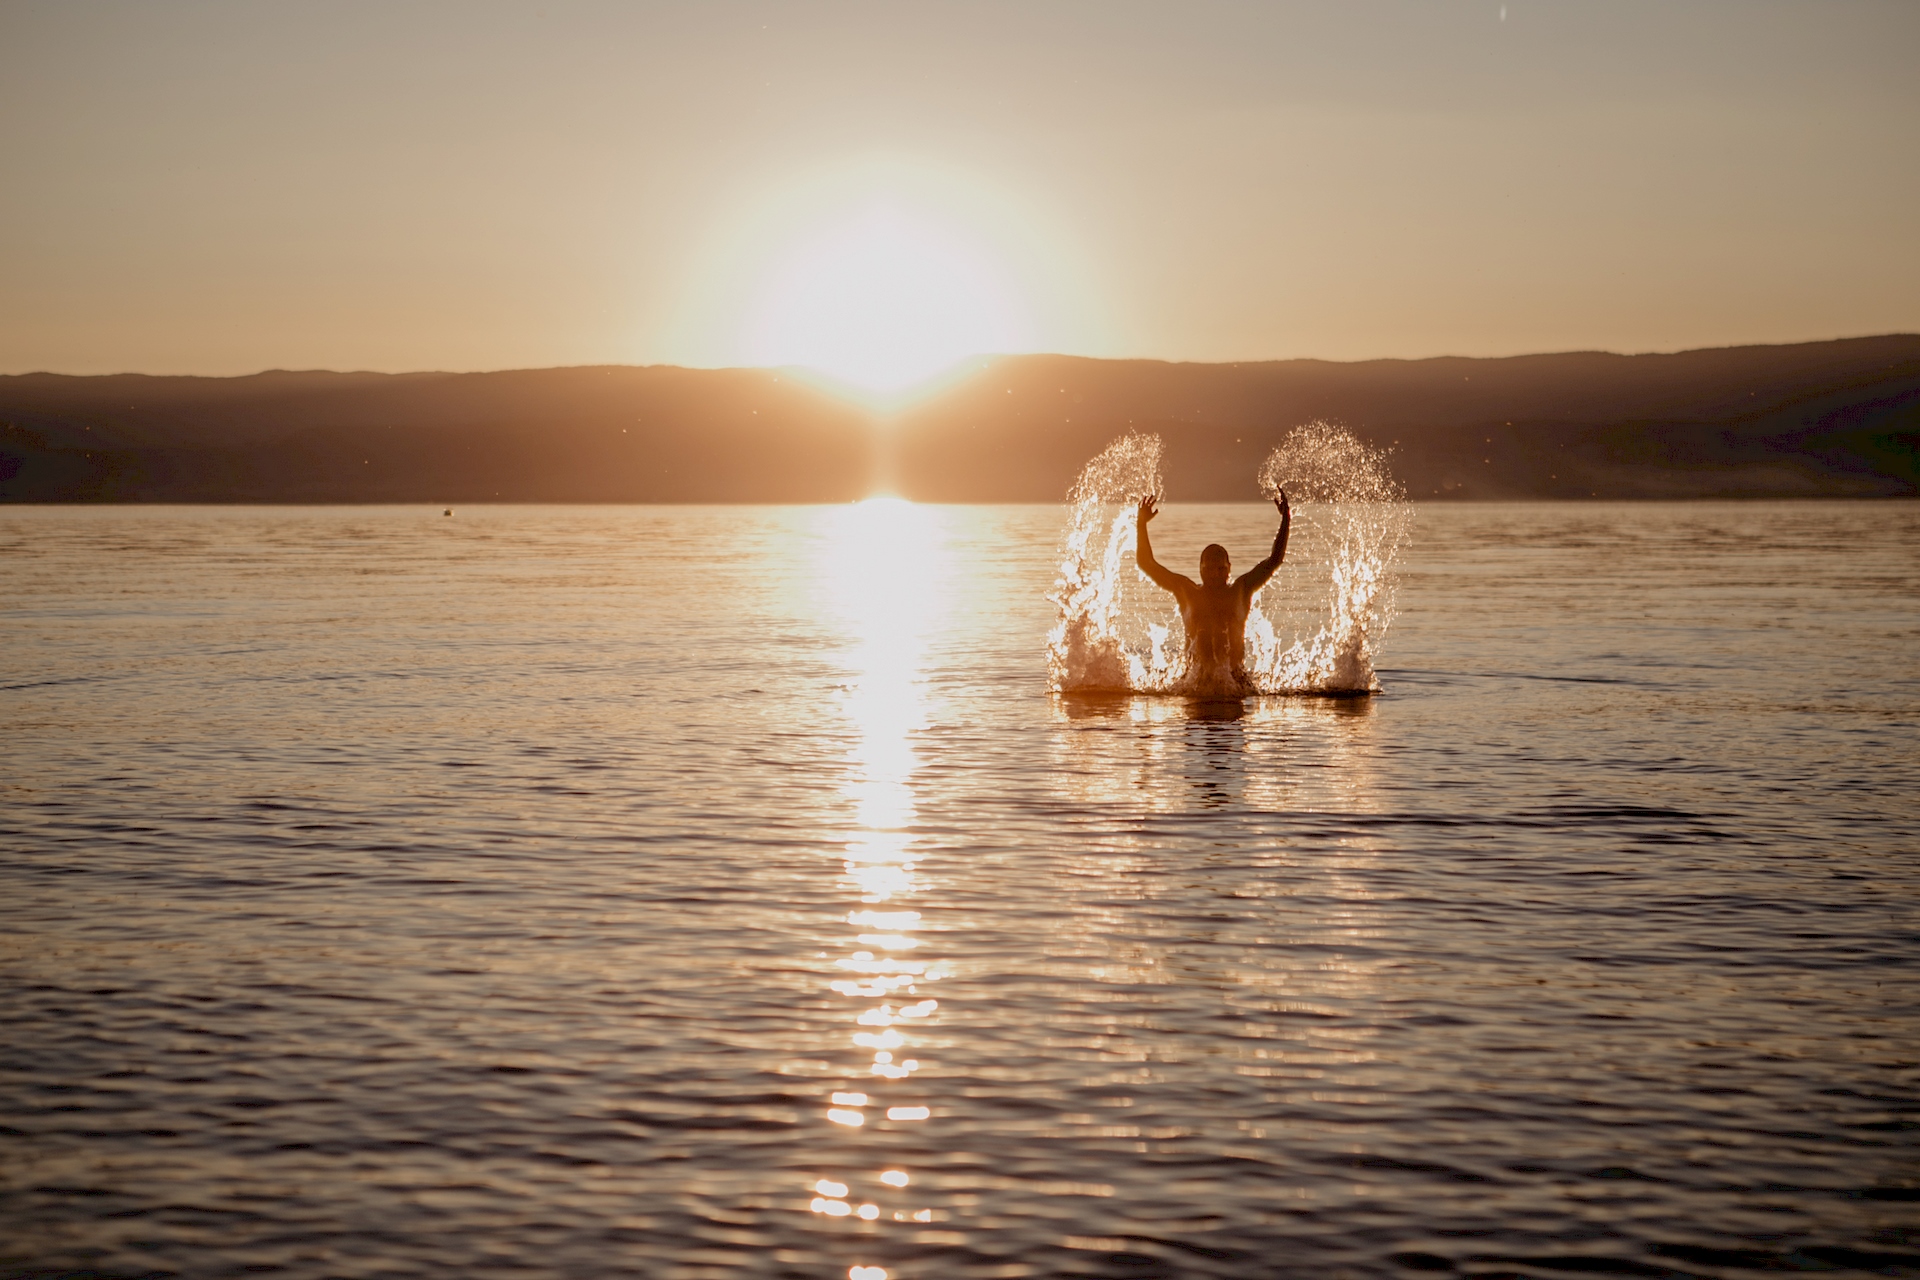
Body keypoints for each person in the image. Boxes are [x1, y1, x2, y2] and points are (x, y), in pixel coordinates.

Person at [1135, 491, 1290, 694]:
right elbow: (1146, 563)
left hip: (1236, 684)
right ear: (1200, 568)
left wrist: (1286, 519)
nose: (1215, 574)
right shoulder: (1186, 591)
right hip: (1194, 684)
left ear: (1229, 568)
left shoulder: (1241, 589)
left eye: (1220, 569)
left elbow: (1275, 560)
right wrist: (1141, 524)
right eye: (1209, 568)